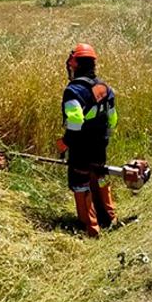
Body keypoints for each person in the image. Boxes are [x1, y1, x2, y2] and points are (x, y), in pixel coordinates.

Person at [60, 43, 119, 237]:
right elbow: (113, 118)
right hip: (101, 142)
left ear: (75, 64)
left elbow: (76, 120)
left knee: (80, 181)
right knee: (100, 175)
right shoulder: (105, 87)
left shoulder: (73, 91)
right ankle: (110, 217)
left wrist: (65, 142)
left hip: (81, 146)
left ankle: (91, 228)